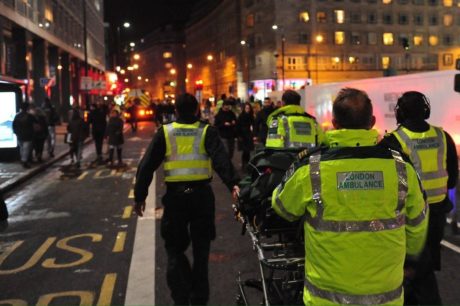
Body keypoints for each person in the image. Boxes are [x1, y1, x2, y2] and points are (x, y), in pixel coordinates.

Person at [272, 88, 428, 306]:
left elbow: (282, 207)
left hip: (325, 299)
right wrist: (408, 257)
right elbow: (418, 223)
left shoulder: (311, 168)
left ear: (334, 123)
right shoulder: (402, 167)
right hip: (386, 297)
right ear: (372, 121)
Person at [134, 93, 239, 305]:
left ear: (175, 110)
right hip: (202, 197)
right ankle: (199, 298)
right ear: (197, 110)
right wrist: (234, 185)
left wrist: (140, 196)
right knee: (202, 252)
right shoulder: (206, 131)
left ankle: (181, 295)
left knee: (174, 249)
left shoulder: (166, 132)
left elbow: (147, 165)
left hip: (176, 198)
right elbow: (221, 161)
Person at [381, 91, 459, 305]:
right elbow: (452, 180)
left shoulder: (394, 140)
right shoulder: (443, 136)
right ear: (426, 110)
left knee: (410, 271)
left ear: (400, 113)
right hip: (436, 215)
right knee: (424, 266)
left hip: (408, 217)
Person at [13, 103, 36, 168]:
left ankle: (23, 160)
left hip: (20, 134)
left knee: (22, 148)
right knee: (26, 148)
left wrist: (16, 132)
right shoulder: (30, 116)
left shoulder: (17, 116)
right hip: (28, 135)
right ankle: (24, 161)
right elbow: (36, 124)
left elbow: (14, 125)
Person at [236, 102, 254, 170]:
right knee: (245, 151)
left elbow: (253, 125)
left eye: (248, 108)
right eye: (246, 108)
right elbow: (238, 127)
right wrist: (239, 136)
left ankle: (247, 165)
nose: (247, 109)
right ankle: (244, 165)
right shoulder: (241, 116)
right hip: (243, 136)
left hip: (249, 135)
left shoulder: (251, 116)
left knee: (248, 151)